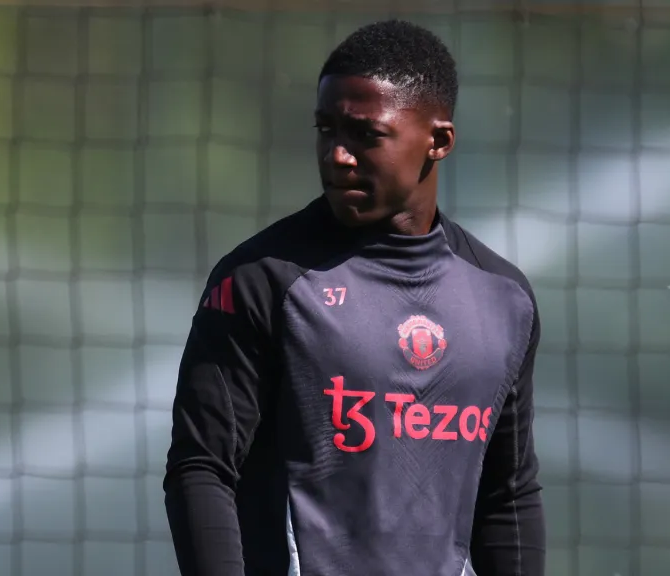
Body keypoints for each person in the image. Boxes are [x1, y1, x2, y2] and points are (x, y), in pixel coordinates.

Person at [164, 19, 545, 576]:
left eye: (365, 135)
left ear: (437, 141)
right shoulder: (259, 279)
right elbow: (202, 468)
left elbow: (509, 496)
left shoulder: (504, 297)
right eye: (326, 130)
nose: (337, 156)